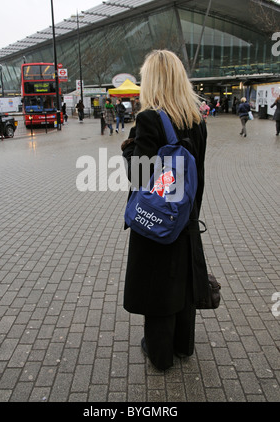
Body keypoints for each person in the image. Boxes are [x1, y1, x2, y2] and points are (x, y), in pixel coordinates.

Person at [121, 49, 209, 371]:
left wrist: (130, 145)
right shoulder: (196, 121)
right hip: (185, 217)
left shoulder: (148, 120)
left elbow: (139, 175)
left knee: (157, 285)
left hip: (156, 219)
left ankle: (160, 354)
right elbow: (198, 172)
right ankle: (183, 346)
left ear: (152, 82)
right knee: (183, 282)